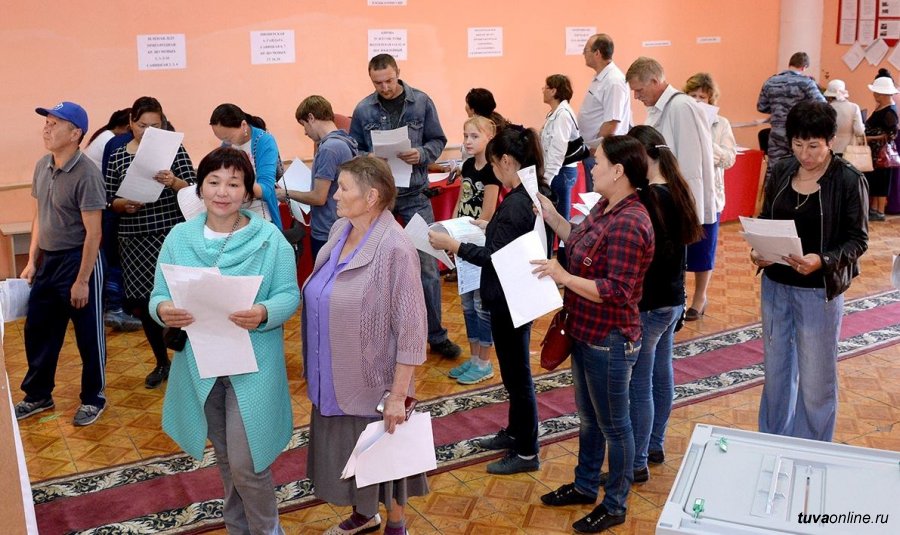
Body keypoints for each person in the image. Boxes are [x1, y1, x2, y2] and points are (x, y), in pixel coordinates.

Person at [150, 147, 300, 534]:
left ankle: (268, 530)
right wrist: (164, 309)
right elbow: (158, 295)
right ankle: (238, 528)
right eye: (213, 182)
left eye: (233, 183)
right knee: (227, 459)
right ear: (199, 188)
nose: (222, 192)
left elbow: (289, 294)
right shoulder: (180, 238)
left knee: (248, 464)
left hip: (254, 365)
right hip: (201, 364)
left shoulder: (269, 239)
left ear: (247, 192)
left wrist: (263, 312)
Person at [534, 136, 654, 534]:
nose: (592, 167)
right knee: (589, 419)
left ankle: (615, 504)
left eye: (598, 162)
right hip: (585, 331)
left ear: (619, 171)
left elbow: (617, 290)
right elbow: (578, 241)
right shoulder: (605, 206)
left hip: (610, 340)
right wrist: (552, 215)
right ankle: (585, 485)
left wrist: (565, 277)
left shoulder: (631, 222)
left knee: (615, 427)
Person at [304, 157, 427, 535]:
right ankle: (364, 514)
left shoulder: (395, 247)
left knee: (384, 458)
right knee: (349, 453)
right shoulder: (340, 229)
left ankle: (396, 524)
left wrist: (398, 395)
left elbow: (412, 329)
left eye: (343, 188)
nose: (335, 195)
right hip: (331, 372)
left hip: (374, 382)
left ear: (371, 196)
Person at [429, 125, 551, 475]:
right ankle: (515, 432)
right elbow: (508, 241)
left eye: (495, 165)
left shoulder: (517, 203)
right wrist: (487, 229)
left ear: (507, 161)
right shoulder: (527, 192)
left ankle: (526, 452)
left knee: (518, 377)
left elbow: (495, 258)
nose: (493, 171)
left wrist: (454, 246)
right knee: (513, 374)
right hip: (513, 293)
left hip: (511, 297)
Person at [752, 101, 868, 442]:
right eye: (798, 144)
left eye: (814, 146)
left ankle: (811, 448)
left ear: (830, 141)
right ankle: (772, 442)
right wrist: (760, 250)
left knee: (817, 379)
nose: (805, 154)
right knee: (776, 372)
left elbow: (858, 241)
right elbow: (768, 219)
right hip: (776, 286)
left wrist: (823, 260)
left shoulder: (848, 180)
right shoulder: (782, 170)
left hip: (819, 291)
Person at [349, 53, 461, 359]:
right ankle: (380, 336)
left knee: (427, 265)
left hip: (415, 195)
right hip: (379, 199)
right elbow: (354, 147)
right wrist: (367, 157)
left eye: (389, 80)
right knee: (374, 265)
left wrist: (422, 154)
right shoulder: (363, 109)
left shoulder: (421, 102)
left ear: (398, 72)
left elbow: (438, 140)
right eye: (378, 83)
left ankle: (436, 336)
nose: (385, 87)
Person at [16, 101, 107, 426]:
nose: (46, 129)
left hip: (79, 259)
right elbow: (39, 216)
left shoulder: (87, 174)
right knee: (38, 329)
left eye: (54, 124)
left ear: (75, 133)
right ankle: (38, 394)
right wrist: (32, 260)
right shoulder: (42, 166)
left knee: (88, 334)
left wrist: (82, 280)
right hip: (48, 261)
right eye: (46, 123)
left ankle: (93, 398)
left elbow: (94, 233)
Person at [627, 125, 703, 474]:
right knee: (661, 371)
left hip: (651, 302)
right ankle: (655, 443)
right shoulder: (675, 189)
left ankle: (638, 461)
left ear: (646, 157)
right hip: (672, 298)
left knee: (640, 383)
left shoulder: (649, 198)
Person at [106, 97, 196, 389]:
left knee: (180, 299)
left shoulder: (173, 150)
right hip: (134, 240)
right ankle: (161, 361)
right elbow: (109, 198)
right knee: (146, 305)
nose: (148, 131)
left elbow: (194, 189)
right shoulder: (118, 155)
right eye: (142, 125)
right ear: (131, 123)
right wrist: (123, 205)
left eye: (155, 125)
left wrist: (173, 182)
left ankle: (188, 358)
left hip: (169, 235)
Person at [626, 57, 716, 318]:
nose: (636, 96)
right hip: (663, 198)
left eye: (639, 90)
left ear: (655, 81)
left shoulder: (681, 107)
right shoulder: (659, 108)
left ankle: (684, 305)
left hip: (675, 201)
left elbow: (690, 165)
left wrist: (685, 212)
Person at [447, 115, 500, 385]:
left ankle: (485, 361)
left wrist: (466, 235)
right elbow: (461, 200)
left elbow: (488, 211)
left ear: (489, 137)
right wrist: (451, 230)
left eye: (474, 136)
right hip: (462, 238)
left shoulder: (491, 170)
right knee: (467, 303)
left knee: (481, 304)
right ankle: (474, 356)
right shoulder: (467, 165)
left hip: (478, 241)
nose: (468, 141)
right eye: (465, 136)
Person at [683, 72, 737, 320]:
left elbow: (729, 158)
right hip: (683, 197)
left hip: (709, 197)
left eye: (702, 97)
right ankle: (680, 297)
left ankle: (700, 298)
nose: (697, 101)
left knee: (704, 251)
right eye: (692, 96)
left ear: (711, 100)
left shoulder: (720, 124)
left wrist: (706, 141)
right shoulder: (681, 121)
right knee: (680, 250)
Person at [277, 95, 358, 260]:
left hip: (327, 231)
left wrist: (286, 193)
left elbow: (319, 197)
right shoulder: (343, 141)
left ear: (311, 117)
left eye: (304, 125)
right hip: (339, 226)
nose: (305, 132)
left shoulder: (329, 149)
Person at [209, 103, 283, 229]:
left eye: (228, 138)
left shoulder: (264, 141)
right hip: (234, 216)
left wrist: (237, 184)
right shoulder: (227, 144)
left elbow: (267, 190)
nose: (226, 143)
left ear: (243, 125)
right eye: (222, 139)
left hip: (261, 217)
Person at [578, 33, 633, 189]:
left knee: (598, 196)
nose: (583, 54)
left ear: (597, 53)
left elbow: (612, 123)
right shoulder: (601, 77)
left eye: (585, 50)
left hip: (602, 154)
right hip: (593, 151)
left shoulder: (613, 81)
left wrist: (598, 150)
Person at [757, 52, 825, 163]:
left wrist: (777, 109)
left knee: (775, 167)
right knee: (798, 166)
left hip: (777, 132)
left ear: (790, 64)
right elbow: (822, 105)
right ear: (804, 67)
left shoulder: (770, 82)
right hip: (799, 133)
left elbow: (761, 106)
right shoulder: (806, 83)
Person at [541, 74, 582, 242]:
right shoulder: (555, 113)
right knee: (553, 219)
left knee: (560, 220)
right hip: (557, 171)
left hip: (561, 172)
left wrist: (547, 178)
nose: (543, 91)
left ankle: (567, 253)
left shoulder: (563, 114)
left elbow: (558, 150)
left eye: (546, 87)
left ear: (554, 91)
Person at [864, 70, 899, 221]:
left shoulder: (890, 111)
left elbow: (891, 134)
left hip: (881, 153)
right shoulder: (882, 107)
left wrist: (870, 138)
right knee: (876, 180)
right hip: (875, 152)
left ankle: (879, 211)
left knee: (882, 181)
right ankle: (874, 209)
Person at [823, 79, 865, 155]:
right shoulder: (854, 107)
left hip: (830, 149)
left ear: (829, 96)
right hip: (848, 150)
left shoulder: (826, 108)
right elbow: (859, 131)